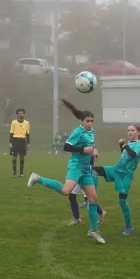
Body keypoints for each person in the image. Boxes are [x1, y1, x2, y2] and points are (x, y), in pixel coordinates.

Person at [27, 98, 106, 244]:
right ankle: (38, 177)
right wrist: (83, 149)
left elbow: (90, 145)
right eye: (87, 121)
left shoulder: (91, 131)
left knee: (93, 199)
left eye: (92, 121)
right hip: (75, 167)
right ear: (82, 121)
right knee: (65, 191)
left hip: (85, 169)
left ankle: (94, 231)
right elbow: (67, 147)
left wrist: (94, 151)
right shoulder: (78, 132)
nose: (90, 123)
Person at [93, 124, 140, 235]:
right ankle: (91, 196)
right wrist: (122, 146)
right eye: (128, 130)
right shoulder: (130, 144)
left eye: (132, 130)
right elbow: (125, 155)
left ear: (138, 133)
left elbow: (133, 155)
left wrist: (124, 145)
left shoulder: (139, 144)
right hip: (116, 169)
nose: (129, 132)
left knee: (122, 201)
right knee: (93, 170)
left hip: (125, 176)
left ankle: (129, 226)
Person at [67, 153, 107, 226]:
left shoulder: (86, 149)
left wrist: (90, 155)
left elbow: (91, 160)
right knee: (72, 196)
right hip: (76, 174)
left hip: (85, 176)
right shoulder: (77, 149)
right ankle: (77, 219)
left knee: (89, 199)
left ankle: (101, 212)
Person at [9, 108, 30, 178]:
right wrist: (10, 142)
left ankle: (21, 173)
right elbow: (11, 133)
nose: (21, 114)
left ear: (24, 114)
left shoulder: (27, 123)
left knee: (22, 157)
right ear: (17, 114)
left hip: (22, 140)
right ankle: (14, 173)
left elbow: (28, 134)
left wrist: (28, 143)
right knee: (14, 157)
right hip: (15, 140)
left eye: (22, 113)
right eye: (19, 113)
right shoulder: (14, 122)